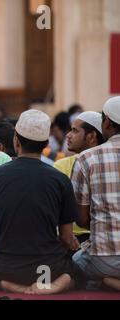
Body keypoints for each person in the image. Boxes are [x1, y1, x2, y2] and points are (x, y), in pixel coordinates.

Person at [0, 110, 79, 295]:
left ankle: (14, 286)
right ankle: (53, 286)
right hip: (49, 268)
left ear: (16, 141)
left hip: (7, 268)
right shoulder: (60, 180)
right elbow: (66, 238)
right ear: (46, 144)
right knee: (77, 272)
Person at [71, 97, 120, 291]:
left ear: (106, 123)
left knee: (75, 262)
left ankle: (106, 280)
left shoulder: (87, 158)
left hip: (104, 259)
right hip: (104, 257)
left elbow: (81, 219)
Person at [54, 111, 104, 243]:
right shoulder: (61, 165)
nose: (68, 135)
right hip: (72, 238)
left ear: (91, 136)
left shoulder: (106, 164)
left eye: (75, 131)